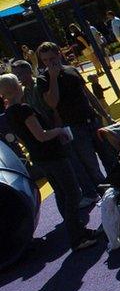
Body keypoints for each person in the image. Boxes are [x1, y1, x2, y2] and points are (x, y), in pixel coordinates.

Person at [0, 74, 98, 251]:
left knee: (61, 192)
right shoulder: (23, 110)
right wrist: (58, 131)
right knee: (72, 192)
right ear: (16, 87)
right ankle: (77, 235)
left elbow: (25, 138)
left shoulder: (9, 113)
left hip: (39, 157)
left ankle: (75, 230)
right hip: (52, 155)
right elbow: (41, 135)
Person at [36, 41, 117, 200]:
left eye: (52, 57)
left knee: (110, 157)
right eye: (45, 60)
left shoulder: (71, 70)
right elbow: (52, 103)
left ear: (59, 54)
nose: (50, 62)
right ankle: (109, 199)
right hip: (73, 127)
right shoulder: (43, 79)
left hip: (92, 120)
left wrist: (105, 115)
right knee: (91, 166)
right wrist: (53, 78)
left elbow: (87, 94)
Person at [11, 59, 98, 205]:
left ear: (28, 71)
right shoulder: (25, 92)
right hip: (49, 132)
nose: (18, 78)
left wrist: (58, 128)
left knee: (77, 161)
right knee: (72, 163)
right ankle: (89, 191)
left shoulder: (39, 85)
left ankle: (91, 192)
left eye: (19, 73)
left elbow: (53, 107)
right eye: (15, 75)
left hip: (56, 129)